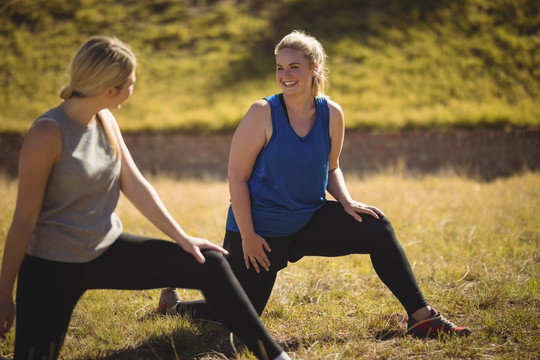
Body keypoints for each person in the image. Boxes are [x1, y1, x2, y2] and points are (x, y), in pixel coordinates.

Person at [161, 30, 472, 340]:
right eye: (280, 68)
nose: (285, 75)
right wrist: (248, 235)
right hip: (261, 232)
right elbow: (237, 178)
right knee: (238, 314)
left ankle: (421, 318)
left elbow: (331, 167)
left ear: (315, 68)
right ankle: (173, 306)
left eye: (294, 66)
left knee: (377, 226)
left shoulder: (331, 114)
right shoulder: (262, 113)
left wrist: (347, 202)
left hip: (309, 219)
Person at [0, 36, 291, 360]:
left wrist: (183, 238)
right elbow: (24, 220)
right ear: (111, 88)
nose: (133, 89)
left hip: (104, 250)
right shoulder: (47, 133)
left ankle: (275, 356)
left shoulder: (104, 120)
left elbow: (135, 185)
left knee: (208, 262)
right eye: (131, 83)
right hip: (52, 266)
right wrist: (3, 293)